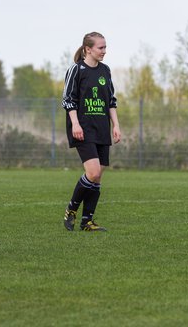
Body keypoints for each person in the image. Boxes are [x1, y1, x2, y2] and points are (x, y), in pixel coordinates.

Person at [62, 31, 121, 232]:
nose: (104, 51)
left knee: (98, 176)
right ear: (88, 49)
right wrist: (75, 124)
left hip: (102, 127)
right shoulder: (76, 70)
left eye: (105, 47)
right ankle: (71, 209)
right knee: (93, 172)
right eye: (100, 47)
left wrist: (116, 125)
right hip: (83, 128)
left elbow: (111, 101)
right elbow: (68, 100)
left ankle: (87, 221)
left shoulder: (105, 71)